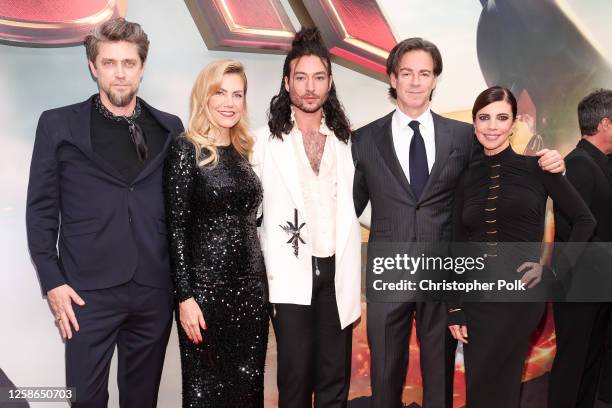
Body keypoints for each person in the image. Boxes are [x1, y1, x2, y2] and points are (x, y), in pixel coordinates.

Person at [352, 38, 566, 408]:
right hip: (389, 274)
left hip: (444, 275)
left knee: (440, 379)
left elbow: (496, 177)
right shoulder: (362, 139)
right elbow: (350, 209)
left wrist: (549, 162)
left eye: (425, 73)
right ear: (392, 78)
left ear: (435, 80)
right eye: (407, 73)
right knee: (384, 377)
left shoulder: (463, 136)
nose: (416, 82)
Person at [25, 18, 184, 407]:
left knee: (141, 400)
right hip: (84, 293)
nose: (120, 73)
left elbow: (182, 212)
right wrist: (52, 280)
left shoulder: (170, 129)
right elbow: (41, 209)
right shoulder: (58, 124)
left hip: (153, 290)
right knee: (85, 399)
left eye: (129, 63)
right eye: (109, 63)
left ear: (142, 67)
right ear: (93, 67)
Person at [448, 86, 595, 408]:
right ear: (474, 124)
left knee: (501, 383)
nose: (492, 126)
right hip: (476, 296)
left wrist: (553, 271)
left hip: (519, 295)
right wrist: (455, 306)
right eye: (484, 118)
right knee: (480, 385)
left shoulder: (537, 168)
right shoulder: (465, 178)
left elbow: (585, 220)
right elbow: (458, 244)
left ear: (514, 124)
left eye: (502, 118)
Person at [252, 27, 362, 408]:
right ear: (287, 83)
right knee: (295, 381)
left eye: (318, 78)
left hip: (338, 274)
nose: (310, 87)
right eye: (301, 78)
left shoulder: (347, 141)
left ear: (330, 83)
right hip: (289, 275)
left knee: (335, 381)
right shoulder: (262, 143)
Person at [164, 60, 268, 407]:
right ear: (204, 97)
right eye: (220, 92)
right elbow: (175, 228)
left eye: (237, 94)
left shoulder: (243, 150)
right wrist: (185, 298)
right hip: (205, 298)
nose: (230, 102)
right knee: (206, 393)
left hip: (252, 293)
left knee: (248, 391)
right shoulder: (186, 149)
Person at [548, 89, 612, 408]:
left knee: (590, 362)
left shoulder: (601, 163)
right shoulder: (577, 165)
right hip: (579, 287)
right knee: (572, 364)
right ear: (605, 124)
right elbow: (568, 230)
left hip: (598, 286)